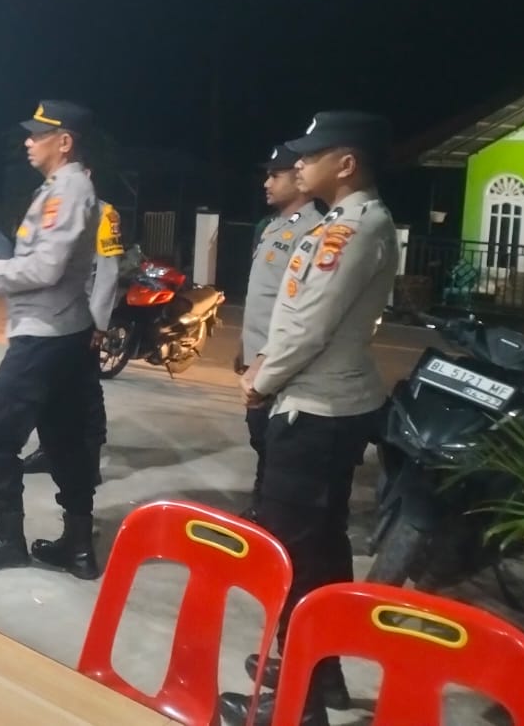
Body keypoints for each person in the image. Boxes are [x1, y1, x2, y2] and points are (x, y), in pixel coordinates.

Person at [219, 111, 398, 726]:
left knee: (293, 557)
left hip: (315, 413)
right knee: (320, 550)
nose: (298, 165)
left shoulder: (350, 230)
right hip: (324, 407)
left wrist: (260, 381)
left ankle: (299, 707)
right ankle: (321, 676)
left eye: (311, 155)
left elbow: (307, 327)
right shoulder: (345, 223)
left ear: (345, 164)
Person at [0, 100, 104, 580]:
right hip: (63, 332)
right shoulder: (61, 188)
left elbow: (46, 268)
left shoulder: (68, 189)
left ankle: (8, 538)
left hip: (45, 336)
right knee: (64, 439)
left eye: (38, 134)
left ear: (65, 142)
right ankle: (77, 545)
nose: (28, 141)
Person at [235, 144, 322, 519]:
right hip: (256, 356)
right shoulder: (274, 226)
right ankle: (262, 506)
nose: (266, 183)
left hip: (278, 360)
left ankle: (269, 513)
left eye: (275, 175)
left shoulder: (312, 230)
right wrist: (244, 346)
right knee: (260, 437)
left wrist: (266, 356)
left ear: (299, 179)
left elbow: (300, 307)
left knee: (274, 442)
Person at [21, 174, 123, 478]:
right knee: (45, 386)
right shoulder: (47, 206)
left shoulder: (104, 213)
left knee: (85, 391)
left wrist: (99, 324)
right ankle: (49, 451)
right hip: (47, 317)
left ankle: (89, 461)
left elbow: (108, 272)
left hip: (82, 319)